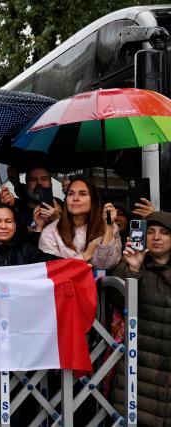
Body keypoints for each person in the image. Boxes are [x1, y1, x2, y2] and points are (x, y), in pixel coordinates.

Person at [109, 211, 171, 426]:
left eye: (164, 233)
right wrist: (133, 270)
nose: (156, 237)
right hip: (141, 365)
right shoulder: (129, 264)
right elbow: (117, 298)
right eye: (151, 232)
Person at [39, 177, 121, 270]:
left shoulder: (109, 226)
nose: (75, 198)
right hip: (64, 284)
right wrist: (86, 255)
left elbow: (106, 266)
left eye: (82, 194)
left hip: (99, 283)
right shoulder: (51, 231)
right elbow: (52, 270)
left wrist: (109, 228)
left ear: (93, 200)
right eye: (70, 194)